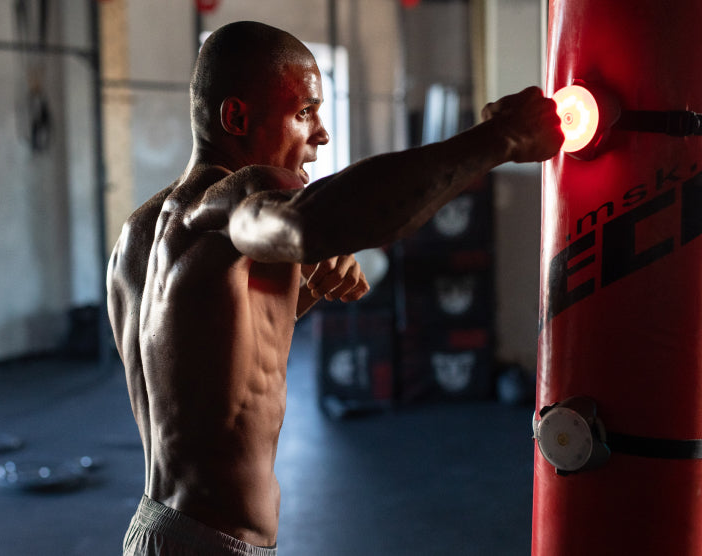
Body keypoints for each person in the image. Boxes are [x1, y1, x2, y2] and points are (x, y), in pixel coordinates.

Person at [107, 20, 563, 556]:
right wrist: (500, 138)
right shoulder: (237, 195)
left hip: (151, 528)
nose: (320, 133)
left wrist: (306, 293)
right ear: (236, 117)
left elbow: (199, 366)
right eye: (303, 113)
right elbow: (311, 222)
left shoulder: (136, 236)